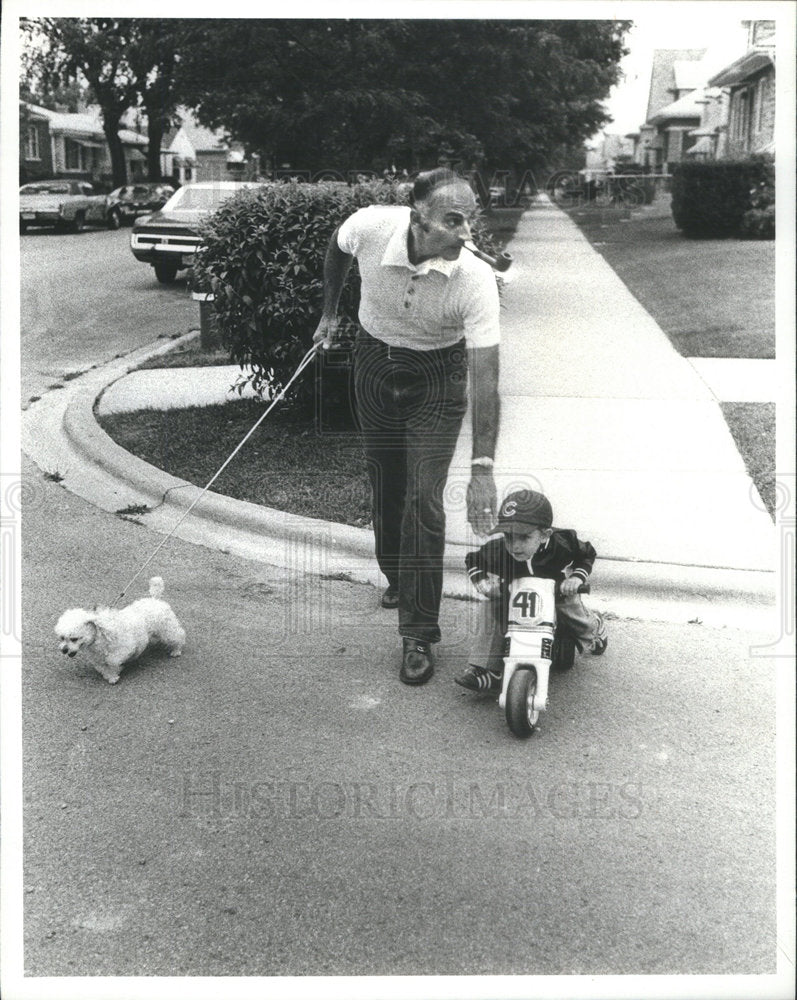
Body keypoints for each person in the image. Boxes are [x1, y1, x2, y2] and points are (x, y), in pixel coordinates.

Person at [313, 168, 501, 686]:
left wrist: (483, 466)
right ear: (418, 218)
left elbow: (486, 381)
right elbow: (336, 247)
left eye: (472, 220)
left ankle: (417, 632)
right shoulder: (371, 226)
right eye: (454, 220)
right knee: (386, 483)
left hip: (438, 379)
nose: (467, 234)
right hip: (374, 363)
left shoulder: (475, 279)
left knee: (423, 496)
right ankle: (399, 576)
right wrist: (329, 313)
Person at [456, 488, 608, 692]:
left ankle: (594, 629)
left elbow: (587, 554)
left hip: (556, 591)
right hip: (513, 593)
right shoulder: (500, 550)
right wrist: (482, 581)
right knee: (493, 607)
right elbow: (473, 560)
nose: (515, 546)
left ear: (545, 535)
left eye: (524, 537)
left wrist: (576, 577)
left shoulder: (562, 543)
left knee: (572, 612)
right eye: (508, 537)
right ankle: (488, 669)